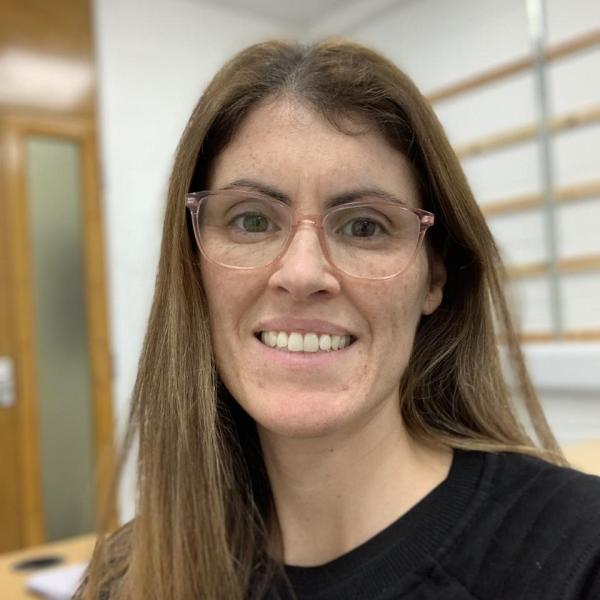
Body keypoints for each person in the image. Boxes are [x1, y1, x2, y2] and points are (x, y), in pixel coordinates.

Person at [76, 39, 600, 599]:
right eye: (252, 221)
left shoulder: (579, 557)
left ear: (434, 278)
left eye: (364, 226)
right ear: (193, 268)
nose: (302, 273)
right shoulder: (127, 579)